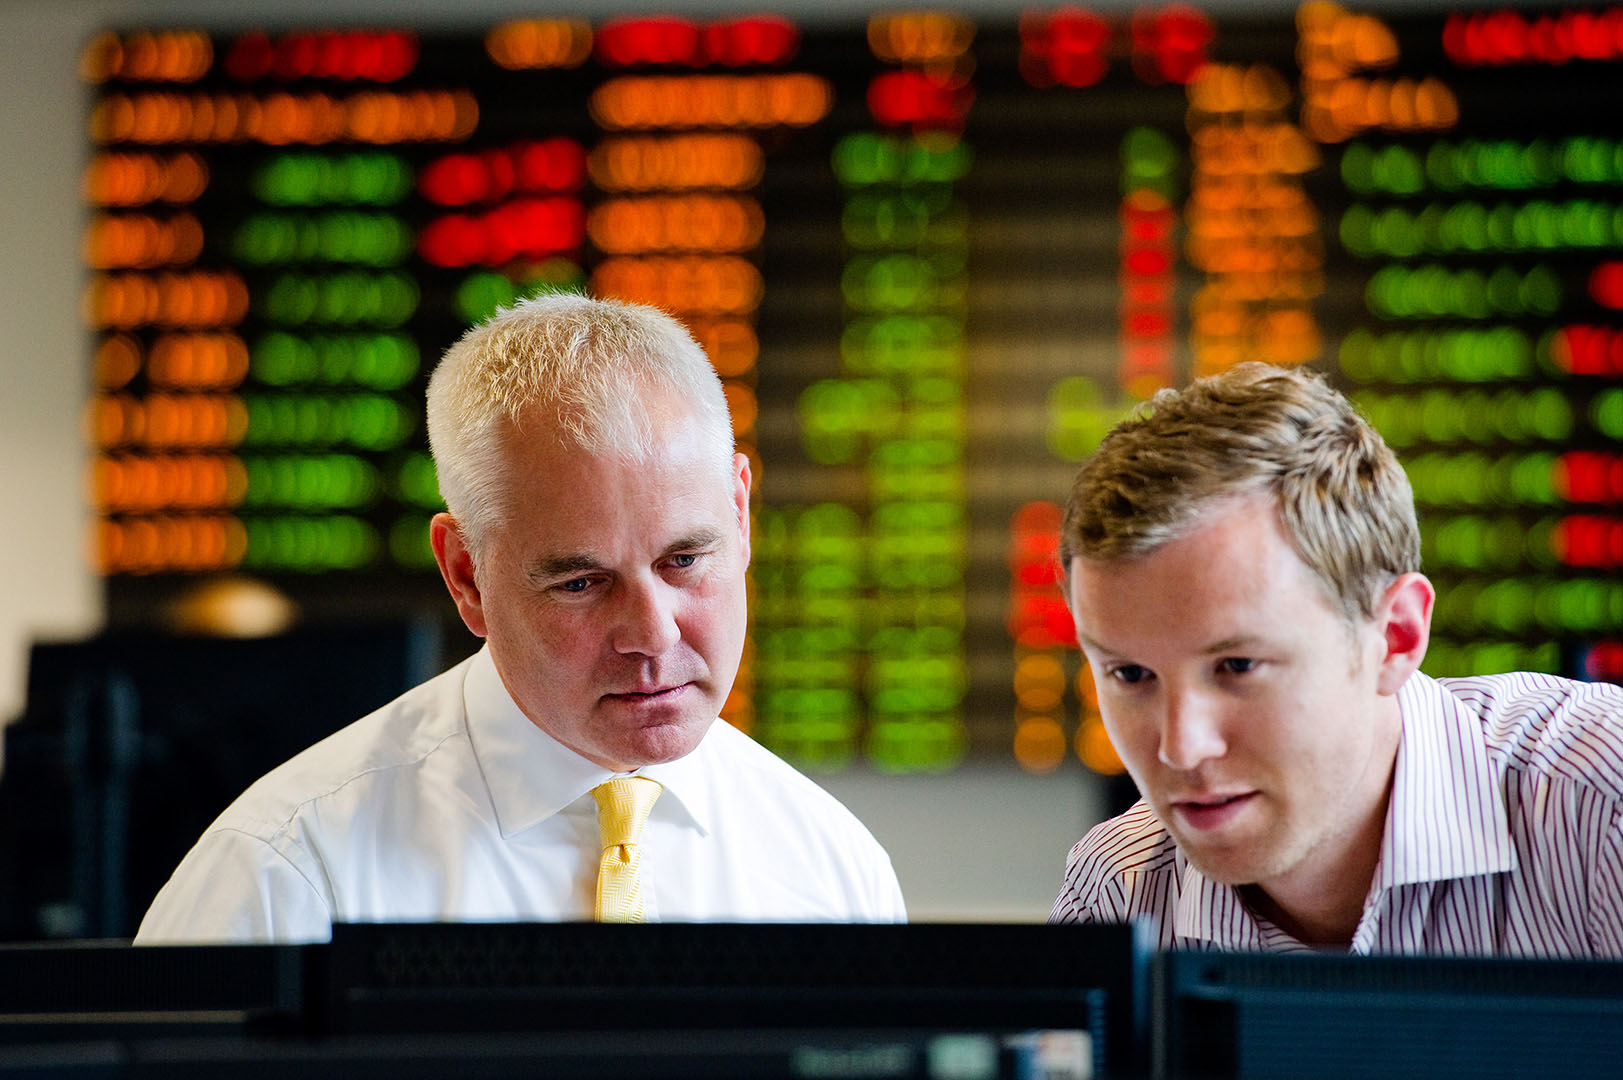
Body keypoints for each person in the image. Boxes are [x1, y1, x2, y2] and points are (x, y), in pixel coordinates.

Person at [137, 294, 905, 944]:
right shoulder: (289, 875)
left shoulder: (832, 867)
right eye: (579, 582)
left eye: (684, 561)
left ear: (738, 513)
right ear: (465, 575)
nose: (653, 635)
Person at [1048, 361, 1623, 956]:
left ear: (1395, 638)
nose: (1182, 747)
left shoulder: (1603, 810)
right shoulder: (1119, 891)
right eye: (1131, 674)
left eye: (1237, 666)